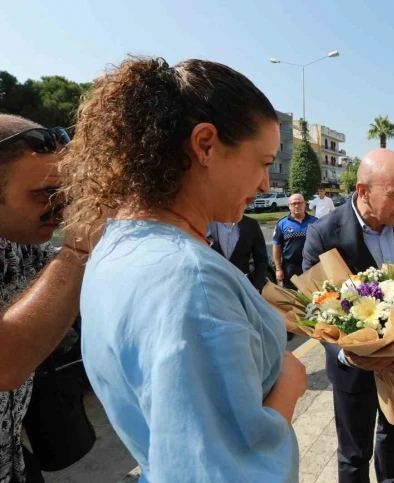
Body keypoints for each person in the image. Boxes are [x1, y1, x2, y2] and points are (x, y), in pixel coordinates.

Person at [59, 57, 306, 482]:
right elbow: (227, 472)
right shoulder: (190, 281)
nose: (267, 185)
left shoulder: (115, 245)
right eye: (264, 162)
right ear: (206, 144)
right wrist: (288, 381)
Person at [302, 148, 394, 483]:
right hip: (353, 368)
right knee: (354, 455)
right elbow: (314, 308)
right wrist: (348, 354)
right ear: (363, 191)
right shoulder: (325, 232)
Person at [0, 115, 97, 483]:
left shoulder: (21, 244)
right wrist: (79, 246)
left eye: (66, 192)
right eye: (45, 193)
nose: (62, 208)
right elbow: (5, 364)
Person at [208, 215, 268, 292]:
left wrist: (256, 287)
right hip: (213, 288)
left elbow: (261, 259)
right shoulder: (208, 224)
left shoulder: (251, 225)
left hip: (242, 289)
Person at [273, 193, 317, 288]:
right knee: (292, 297)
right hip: (290, 267)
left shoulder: (315, 222)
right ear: (289, 206)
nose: (297, 206)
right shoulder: (282, 223)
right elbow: (277, 247)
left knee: (315, 295)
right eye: (293, 204)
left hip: (312, 266)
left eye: (300, 203)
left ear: (305, 204)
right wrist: (278, 269)